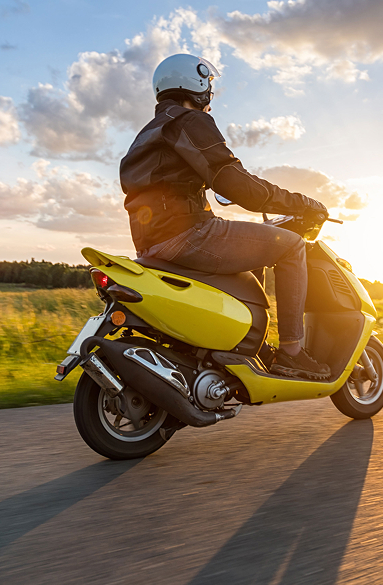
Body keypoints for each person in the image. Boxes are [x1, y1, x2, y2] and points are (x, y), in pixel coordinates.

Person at [119, 53, 330, 380]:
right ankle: (292, 352)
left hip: (150, 243)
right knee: (290, 246)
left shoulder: (148, 133)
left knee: (251, 256)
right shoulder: (190, 121)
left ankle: (249, 345)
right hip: (188, 234)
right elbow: (235, 182)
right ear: (196, 85)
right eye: (208, 86)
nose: (210, 97)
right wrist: (300, 203)